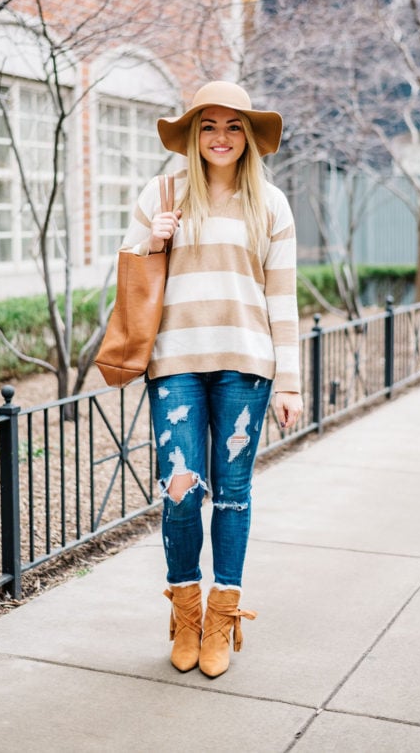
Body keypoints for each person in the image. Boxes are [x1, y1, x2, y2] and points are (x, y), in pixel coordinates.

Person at [121, 81, 303, 678]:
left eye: (232, 126)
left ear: (248, 136)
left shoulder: (270, 204)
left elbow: (282, 297)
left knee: (232, 493)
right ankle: (185, 608)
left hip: (245, 366)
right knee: (180, 490)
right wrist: (155, 239)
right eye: (208, 126)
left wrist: (290, 382)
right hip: (174, 362)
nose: (220, 138)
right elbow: (130, 272)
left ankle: (222, 617)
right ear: (193, 135)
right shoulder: (164, 191)